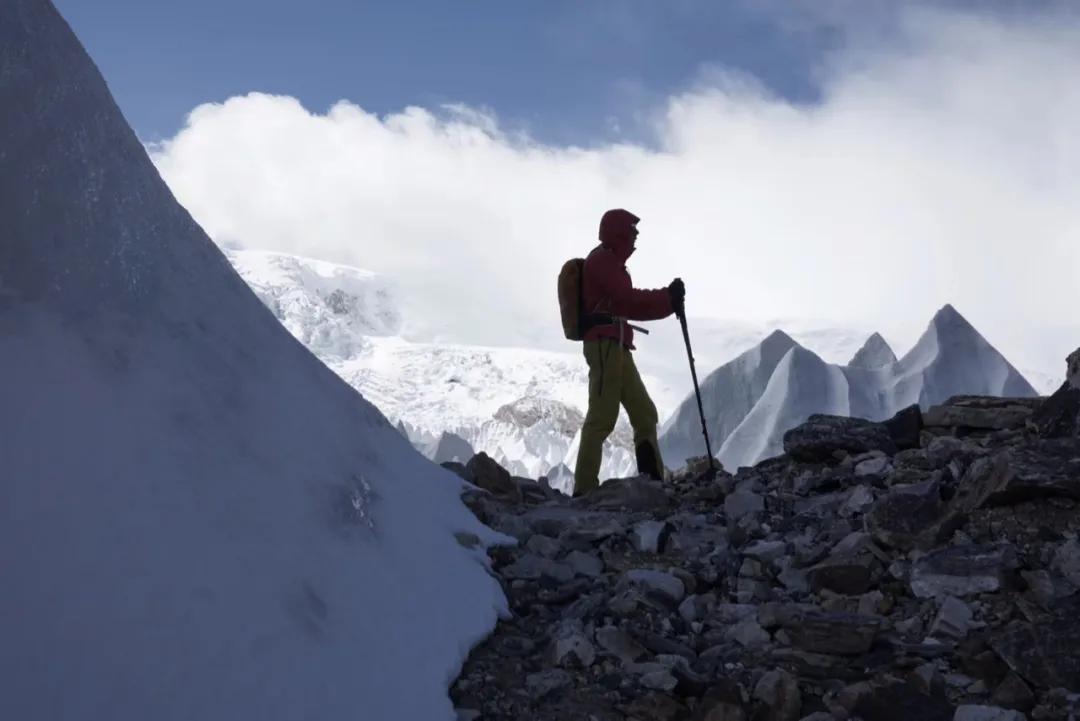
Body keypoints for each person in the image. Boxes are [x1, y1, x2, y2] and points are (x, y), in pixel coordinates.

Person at [573, 208, 685, 496]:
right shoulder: (602, 262)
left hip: (617, 345)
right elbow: (627, 302)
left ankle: (652, 480)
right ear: (618, 232)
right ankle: (583, 490)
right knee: (602, 417)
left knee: (644, 412)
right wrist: (667, 299)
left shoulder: (611, 263)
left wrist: (666, 299)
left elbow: (624, 302)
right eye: (632, 230)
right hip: (604, 346)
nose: (636, 236)